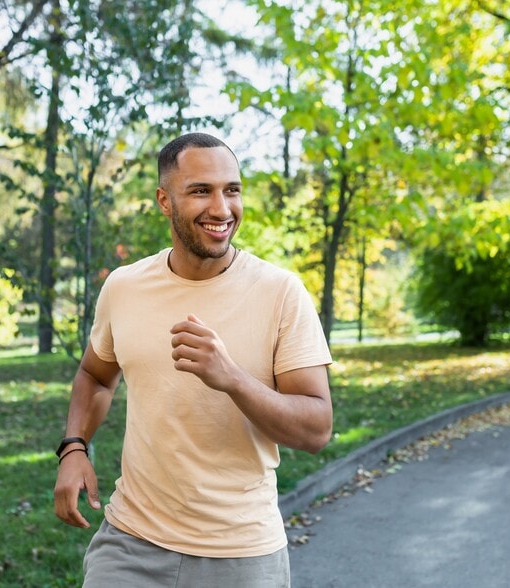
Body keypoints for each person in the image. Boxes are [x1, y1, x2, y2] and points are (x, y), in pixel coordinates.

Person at [53, 132, 333, 587]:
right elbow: (95, 375)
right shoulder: (124, 287)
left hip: (241, 554)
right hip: (130, 542)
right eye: (201, 191)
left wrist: (232, 378)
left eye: (232, 190)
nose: (222, 209)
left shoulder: (281, 292)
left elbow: (316, 429)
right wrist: (73, 448)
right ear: (165, 201)